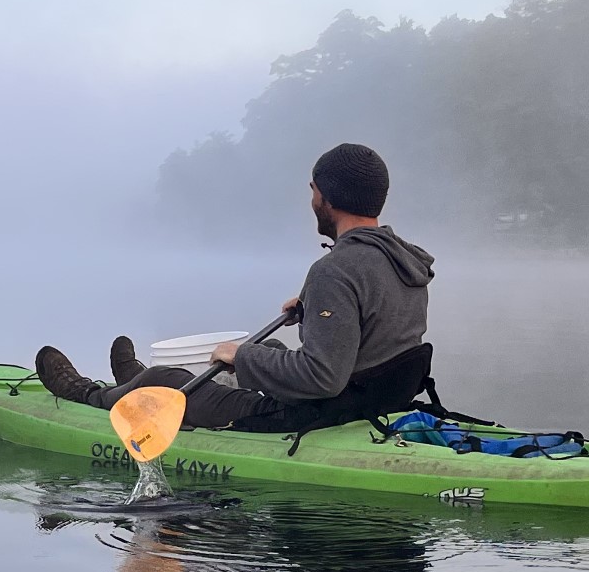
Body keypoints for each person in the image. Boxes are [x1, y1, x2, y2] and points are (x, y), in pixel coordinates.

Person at [34, 142, 435, 435]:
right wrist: (315, 309)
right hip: (373, 400)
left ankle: (88, 396)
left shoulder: (334, 270)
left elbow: (323, 378)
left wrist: (241, 353)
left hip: (320, 413)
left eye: (312, 191)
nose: (311, 199)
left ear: (327, 198)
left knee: (165, 381)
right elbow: (375, 327)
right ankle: (131, 383)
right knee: (273, 352)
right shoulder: (403, 259)